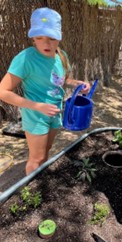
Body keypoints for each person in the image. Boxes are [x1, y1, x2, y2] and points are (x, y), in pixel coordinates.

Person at [0, 7, 90, 175]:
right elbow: (3, 91)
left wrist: (78, 84)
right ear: (32, 36)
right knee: (36, 158)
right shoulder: (26, 58)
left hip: (54, 112)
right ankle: (31, 194)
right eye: (39, 37)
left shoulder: (61, 55)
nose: (46, 44)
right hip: (36, 115)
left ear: (60, 35)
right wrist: (37, 106)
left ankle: (41, 181)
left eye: (51, 38)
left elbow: (61, 79)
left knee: (46, 151)